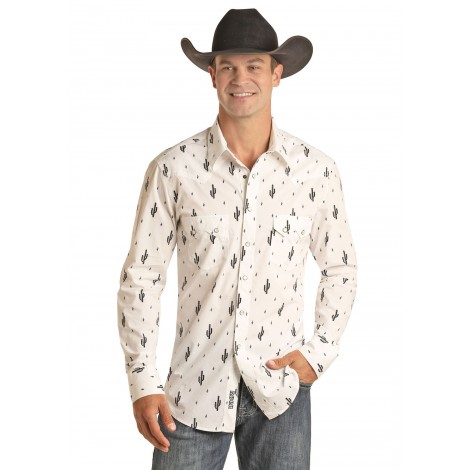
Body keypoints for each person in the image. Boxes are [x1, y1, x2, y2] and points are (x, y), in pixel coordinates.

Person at [117, 8, 357, 470]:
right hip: (190, 394)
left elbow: (340, 267)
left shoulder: (316, 171)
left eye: (254, 66)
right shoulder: (172, 169)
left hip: (281, 392)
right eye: (227, 66)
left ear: (276, 74)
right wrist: (143, 380)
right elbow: (141, 277)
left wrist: (319, 352)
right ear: (212, 75)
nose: (240, 78)